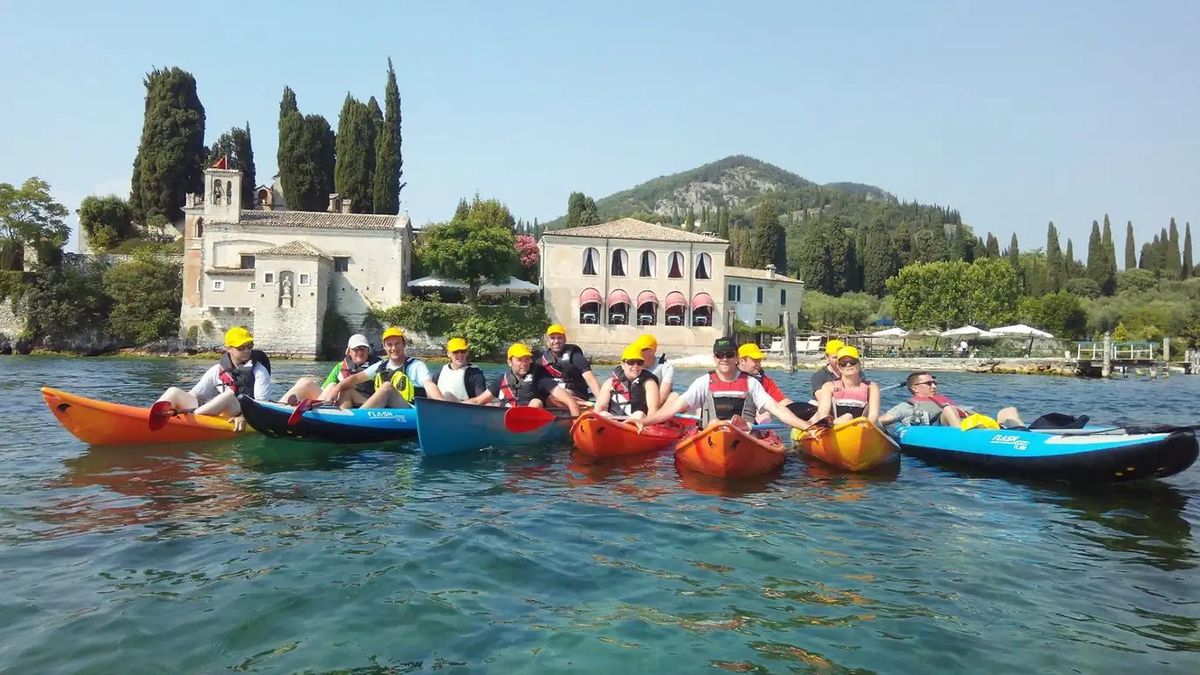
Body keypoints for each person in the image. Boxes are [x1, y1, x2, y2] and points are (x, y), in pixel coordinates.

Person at [637, 337, 818, 434]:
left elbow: (778, 409)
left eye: (729, 355)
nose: (724, 359)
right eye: (720, 355)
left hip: (744, 436)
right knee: (714, 424)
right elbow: (672, 410)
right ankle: (724, 425)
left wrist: (805, 426)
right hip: (711, 435)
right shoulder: (703, 382)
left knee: (747, 423)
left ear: (736, 358)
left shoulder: (751, 383)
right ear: (714, 358)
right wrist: (643, 421)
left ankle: (734, 425)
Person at [155, 326, 272, 430]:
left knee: (228, 396)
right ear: (229, 349)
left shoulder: (259, 370)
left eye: (249, 346)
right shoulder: (217, 370)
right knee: (173, 392)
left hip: (243, 412)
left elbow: (261, 404)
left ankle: (191, 422)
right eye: (241, 348)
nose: (247, 351)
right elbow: (194, 395)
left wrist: (245, 417)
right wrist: (179, 406)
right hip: (213, 411)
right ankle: (153, 418)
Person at [331, 327, 444, 408]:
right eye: (389, 345)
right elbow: (357, 378)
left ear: (404, 345)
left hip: (408, 411)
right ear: (384, 347)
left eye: (397, 344)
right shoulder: (381, 365)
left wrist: (442, 405)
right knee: (347, 390)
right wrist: (337, 387)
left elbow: (429, 385)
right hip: (386, 411)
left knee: (387, 387)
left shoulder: (416, 366)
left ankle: (357, 420)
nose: (393, 348)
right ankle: (340, 422)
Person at [877, 371, 1023, 428]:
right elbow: (880, 421)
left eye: (934, 383)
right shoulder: (905, 407)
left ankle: (1023, 434)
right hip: (959, 431)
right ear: (915, 388)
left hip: (978, 424)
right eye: (929, 383)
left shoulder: (943, 401)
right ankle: (962, 439)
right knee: (948, 409)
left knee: (1009, 410)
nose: (934, 386)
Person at [469, 343, 581, 414]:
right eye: (519, 360)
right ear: (509, 362)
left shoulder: (540, 379)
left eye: (527, 359)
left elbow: (569, 401)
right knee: (488, 405)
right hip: (506, 418)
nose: (524, 363)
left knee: (536, 402)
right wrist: (459, 405)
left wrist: (575, 426)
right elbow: (479, 400)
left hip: (533, 421)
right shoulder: (501, 379)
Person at [277, 333, 380, 408]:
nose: (360, 352)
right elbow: (325, 388)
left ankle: (314, 408)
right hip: (334, 400)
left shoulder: (377, 366)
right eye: (356, 349)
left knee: (335, 386)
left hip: (362, 402)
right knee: (306, 382)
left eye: (363, 349)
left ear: (368, 351)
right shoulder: (340, 367)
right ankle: (281, 405)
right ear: (349, 351)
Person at [592, 343, 661, 421]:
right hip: (613, 421)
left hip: (638, 423)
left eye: (639, 362)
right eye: (631, 362)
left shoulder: (649, 383)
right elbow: (599, 407)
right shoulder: (610, 383)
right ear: (623, 364)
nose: (635, 366)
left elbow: (653, 410)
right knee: (602, 414)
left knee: (639, 414)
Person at [814, 345, 880, 424]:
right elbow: (823, 414)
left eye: (852, 362)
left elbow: (873, 416)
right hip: (836, 425)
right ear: (839, 367)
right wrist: (836, 422)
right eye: (843, 363)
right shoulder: (829, 386)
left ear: (859, 364)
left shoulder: (872, 387)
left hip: (862, 426)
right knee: (847, 417)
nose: (848, 365)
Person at [538, 324, 601, 401]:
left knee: (556, 395)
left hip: (576, 393)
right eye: (552, 338)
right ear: (548, 341)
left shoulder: (575, 356)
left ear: (565, 339)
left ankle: (580, 405)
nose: (556, 341)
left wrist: (601, 402)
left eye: (560, 338)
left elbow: (591, 380)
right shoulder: (542, 359)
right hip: (554, 394)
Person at [736, 342, 796, 423]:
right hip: (733, 422)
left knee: (765, 415)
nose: (758, 364)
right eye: (755, 361)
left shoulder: (765, 381)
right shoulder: (728, 378)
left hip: (755, 424)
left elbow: (782, 401)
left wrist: (800, 412)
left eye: (759, 361)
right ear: (742, 361)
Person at [433, 337, 488, 402]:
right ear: (449, 354)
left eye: (463, 351)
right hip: (441, 405)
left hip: (464, 407)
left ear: (467, 353)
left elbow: (482, 400)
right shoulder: (441, 371)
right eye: (455, 352)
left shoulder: (475, 373)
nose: (460, 355)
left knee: (448, 396)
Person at [633, 333, 676, 406]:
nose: (637, 352)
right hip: (638, 402)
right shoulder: (633, 365)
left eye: (640, 349)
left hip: (656, 403)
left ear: (651, 351)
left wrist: (652, 409)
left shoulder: (666, 367)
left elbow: (664, 393)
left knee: (674, 396)